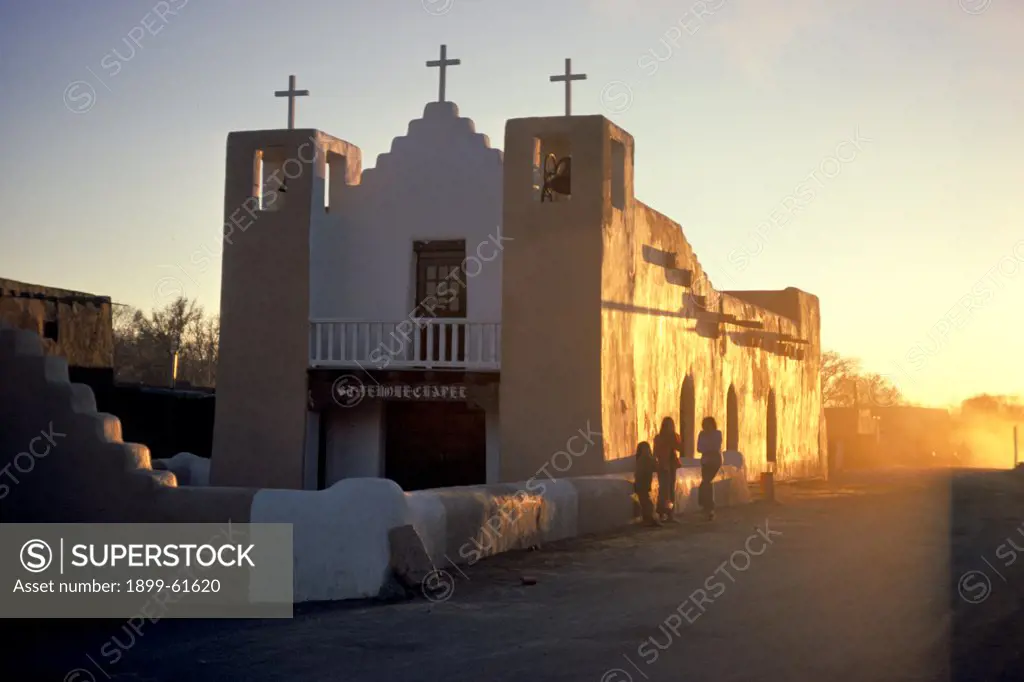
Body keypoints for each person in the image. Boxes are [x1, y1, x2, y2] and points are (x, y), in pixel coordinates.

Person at [654, 417, 682, 522]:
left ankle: (670, 513)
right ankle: (662, 513)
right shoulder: (658, 438)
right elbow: (656, 452)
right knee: (664, 491)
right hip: (663, 466)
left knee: (670, 491)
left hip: (672, 466)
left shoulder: (674, 437)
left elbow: (680, 447)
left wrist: (673, 438)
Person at [697, 416, 723, 520]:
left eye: (708, 424)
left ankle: (708, 505)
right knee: (706, 482)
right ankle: (707, 506)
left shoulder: (717, 433)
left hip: (715, 461)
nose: (706, 427)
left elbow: (716, 447)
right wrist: (708, 449)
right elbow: (699, 448)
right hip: (705, 461)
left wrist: (706, 449)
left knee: (706, 481)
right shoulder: (702, 434)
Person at [633, 441, 659, 526]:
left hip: (643, 483)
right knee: (646, 502)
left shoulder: (643, 459)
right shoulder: (645, 459)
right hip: (642, 483)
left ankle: (648, 519)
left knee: (645, 501)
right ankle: (649, 519)